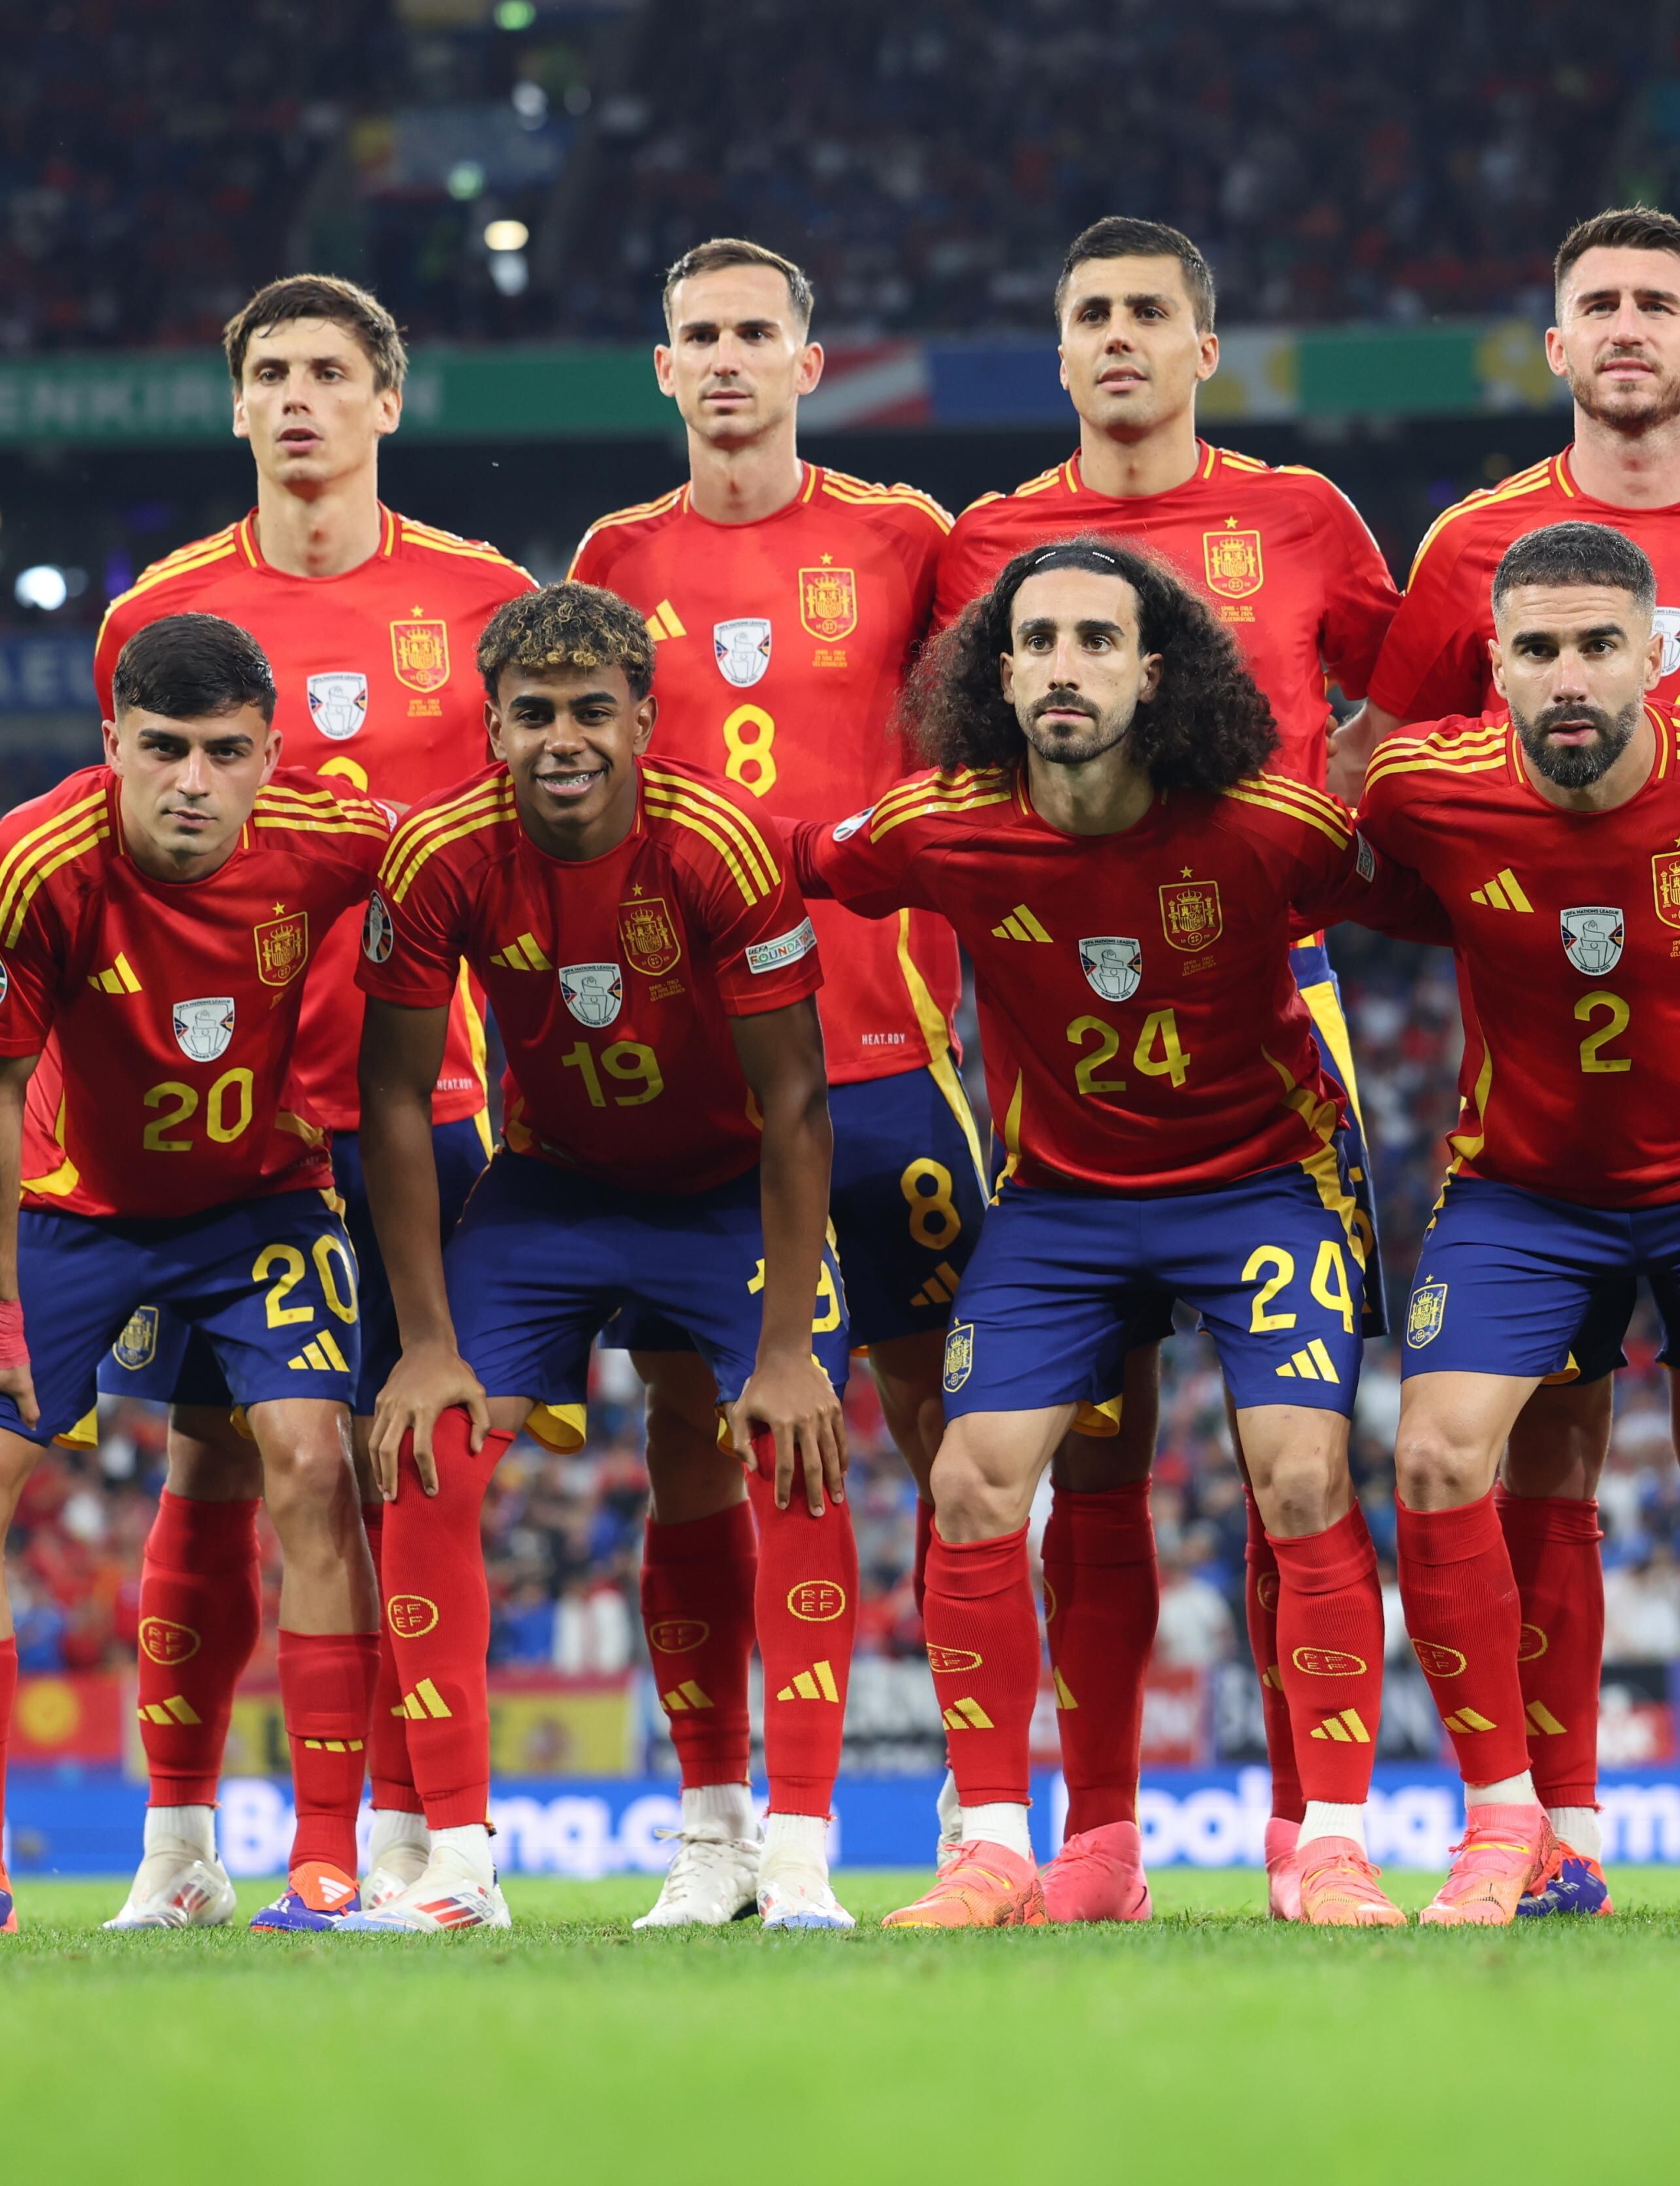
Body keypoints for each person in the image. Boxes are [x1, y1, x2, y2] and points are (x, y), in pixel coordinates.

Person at [1347, 206, 1680, 1916]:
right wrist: (1503, 923)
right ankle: (1545, 1822)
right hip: (1534, 1125)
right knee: (1541, 1454)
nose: (1630, 326)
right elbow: (1369, 793)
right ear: (1555, 347)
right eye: (1599, 304)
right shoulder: (1468, 549)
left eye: (1662, 303)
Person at [796, 536, 1436, 1930]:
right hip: (1066, 1204)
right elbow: (776, 869)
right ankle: (994, 1849)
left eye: (1097, 640)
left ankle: (1330, 1841)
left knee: (1302, 1472)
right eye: (1038, 642)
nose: (1065, 666)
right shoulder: (942, 825)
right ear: (1000, 671)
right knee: (972, 1486)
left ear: (1155, 673)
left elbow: (1436, 896)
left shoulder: (1267, 825)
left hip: (1262, 1184)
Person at [934, 217, 1404, 1918]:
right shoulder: (989, 542)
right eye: (1090, 316)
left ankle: (1310, 1833)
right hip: (1063, 1030)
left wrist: (1328, 808)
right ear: (1057, 354)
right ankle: (1096, 1840)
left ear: (1207, 347)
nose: (1119, 338)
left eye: (1150, 313)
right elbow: (946, 736)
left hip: (1271, 1013)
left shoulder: (1301, 519)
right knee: (1096, 1460)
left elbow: (1413, 693)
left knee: (1298, 1455)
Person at [86, 275, 531, 1929]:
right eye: (267, 371)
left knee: (417, 1464)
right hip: (227, 1123)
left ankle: (411, 1845)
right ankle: (178, 1847)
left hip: (436, 1094)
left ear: (386, 402)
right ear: (234, 404)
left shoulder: (487, 597)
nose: (296, 399)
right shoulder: (161, 611)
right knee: (214, 1465)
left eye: (328, 373)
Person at [0, 614, 391, 1935]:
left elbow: (472, 862)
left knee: (315, 1461)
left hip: (261, 1200)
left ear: (272, 753)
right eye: (162, 748)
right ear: (112, 744)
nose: (193, 781)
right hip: (69, 1208)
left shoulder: (335, 841)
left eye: (225, 751)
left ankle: (325, 1863)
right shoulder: (37, 855)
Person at [344, 583, 847, 1933]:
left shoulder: (721, 846)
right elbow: (393, 1093)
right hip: (552, 1191)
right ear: (492, 730)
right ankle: (455, 1865)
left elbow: (799, 1102)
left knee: (792, 1446)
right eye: (531, 716)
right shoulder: (440, 855)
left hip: (728, 1190)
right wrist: (429, 1339)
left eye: (587, 712)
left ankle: (777, 1849)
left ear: (642, 718)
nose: (561, 739)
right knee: (428, 1447)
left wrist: (790, 1348)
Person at [566, 237, 965, 1928]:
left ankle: (984, 1799)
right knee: (699, 1440)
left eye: (755, 335)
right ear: (662, 371)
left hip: (892, 1054)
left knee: (956, 1435)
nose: (725, 360)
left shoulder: (904, 539)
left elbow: (973, 770)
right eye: (697, 339)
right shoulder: (612, 557)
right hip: (709, 1083)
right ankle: (725, 1827)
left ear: (812, 362)